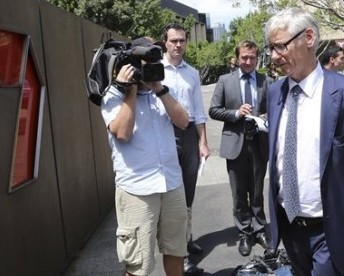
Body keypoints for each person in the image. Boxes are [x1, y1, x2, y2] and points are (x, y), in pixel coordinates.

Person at [264, 7, 344, 276]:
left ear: (309, 37)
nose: (274, 57)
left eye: (280, 47)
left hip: (333, 230)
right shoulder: (275, 92)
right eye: (271, 48)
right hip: (290, 227)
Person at [100, 37, 189, 276]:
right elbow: (122, 133)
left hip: (171, 183)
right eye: (145, 63)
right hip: (137, 189)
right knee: (139, 263)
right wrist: (130, 90)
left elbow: (183, 121)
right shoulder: (113, 94)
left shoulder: (160, 90)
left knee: (176, 250)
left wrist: (159, 89)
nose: (150, 67)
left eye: (154, 61)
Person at [209, 40, 272, 257]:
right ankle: (244, 232)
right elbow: (214, 110)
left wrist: (265, 116)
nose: (248, 61)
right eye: (244, 57)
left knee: (256, 192)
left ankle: (260, 229)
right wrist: (236, 113)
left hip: (258, 143)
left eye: (252, 57)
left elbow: (274, 108)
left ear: (257, 57)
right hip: (235, 142)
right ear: (237, 57)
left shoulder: (267, 81)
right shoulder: (225, 81)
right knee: (238, 194)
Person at [161, 23, 210, 275]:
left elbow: (199, 111)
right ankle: (176, 252)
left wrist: (203, 142)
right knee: (173, 196)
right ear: (165, 43)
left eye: (182, 40)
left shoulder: (192, 72)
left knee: (188, 193)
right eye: (173, 41)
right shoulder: (156, 72)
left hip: (189, 134)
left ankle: (187, 240)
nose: (178, 45)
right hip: (165, 134)